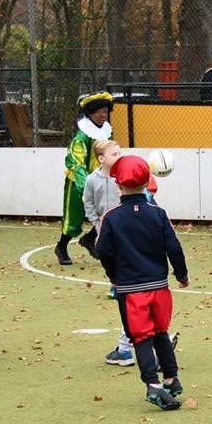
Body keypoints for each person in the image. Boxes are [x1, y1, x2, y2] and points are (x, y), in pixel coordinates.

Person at [95, 155, 189, 410]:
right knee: (161, 332)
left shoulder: (112, 218)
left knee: (140, 338)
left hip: (130, 290)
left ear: (119, 186)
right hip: (159, 287)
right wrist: (182, 274)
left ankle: (153, 385)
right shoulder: (158, 214)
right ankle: (172, 378)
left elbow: (103, 249)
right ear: (148, 182)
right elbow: (174, 247)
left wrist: (113, 275)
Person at [83, 139, 136, 365]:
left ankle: (131, 344)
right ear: (101, 158)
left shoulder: (124, 176)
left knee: (132, 291)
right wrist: (97, 225)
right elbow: (88, 203)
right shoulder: (92, 180)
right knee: (116, 266)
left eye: (120, 152)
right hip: (106, 231)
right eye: (114, 153)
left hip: (125, 230)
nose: (119, 155)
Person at [54, 92, 114, 265]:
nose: (103, 115)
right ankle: (61, 247)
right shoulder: (81, 136)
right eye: (99, 112)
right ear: (90, 113)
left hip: (100, 178)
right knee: (74, 218)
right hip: (78, 182)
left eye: (105, 111)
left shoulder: (106, 131)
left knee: (106, 213)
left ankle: (89, 239)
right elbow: (77, 163)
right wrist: (87, 186)